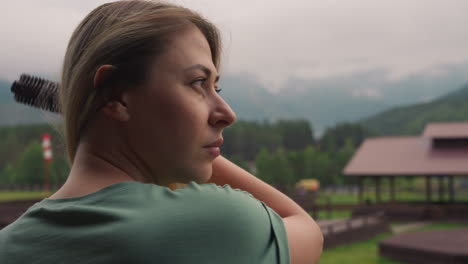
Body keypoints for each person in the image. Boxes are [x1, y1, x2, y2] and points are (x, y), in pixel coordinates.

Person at [0, 1, 323, 263]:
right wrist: (206, 151)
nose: (227, 114)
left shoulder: (9, 247)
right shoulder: (217, 224)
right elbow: (305, 229)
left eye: (216, 87)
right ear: (116, 95)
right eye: (198, 83)